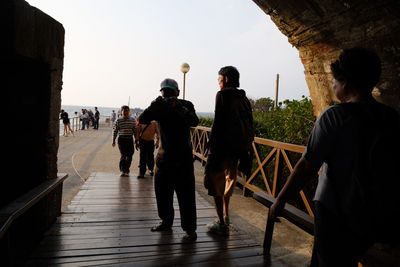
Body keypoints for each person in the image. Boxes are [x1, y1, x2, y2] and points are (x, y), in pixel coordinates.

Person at [269, 47, 400, 266]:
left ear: (345, 82)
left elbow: (307, 167)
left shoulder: (335, 116)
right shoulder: (390, 117)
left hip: (334, 211)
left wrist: (280, 200)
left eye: (334, 81)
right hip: (373, 213)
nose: (333, 85)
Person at [138, 78, 199, 240]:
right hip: (164, 158)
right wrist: (153, 105)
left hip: (183, 160)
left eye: (171, 92)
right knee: (162, 193)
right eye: (165, 92)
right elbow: (143, 119)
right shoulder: (159, 106)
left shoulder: (186, 105)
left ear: (178, 93)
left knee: (186, 196)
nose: (168, 96)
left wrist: (181, 110)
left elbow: (195, 121)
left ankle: (190, 230)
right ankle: (166, 221)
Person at [204, 66, 254, 235]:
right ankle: (226, 215)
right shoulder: (243, 98)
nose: (218, 83)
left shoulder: (222, 95)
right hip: (238, 150)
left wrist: (211, 146)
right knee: (229, 181)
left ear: (225, 79)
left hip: (222, 148)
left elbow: (218, 122)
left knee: (215, 182)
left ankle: (221, 222)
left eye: (219, 80)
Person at [112, 105, 138, 177]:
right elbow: (115, 131)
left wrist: (136, 140)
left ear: (129, 111)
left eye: (127, 111)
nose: (126, 112)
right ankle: (123, 170)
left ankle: (127, 169)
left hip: (129, 139)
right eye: (124, 111)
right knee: (123, 155)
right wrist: (113, 140)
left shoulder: (133, 120)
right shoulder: (118, 120)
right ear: (121, 112)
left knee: (130, 155)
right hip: (121, 139)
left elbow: (135, 131)